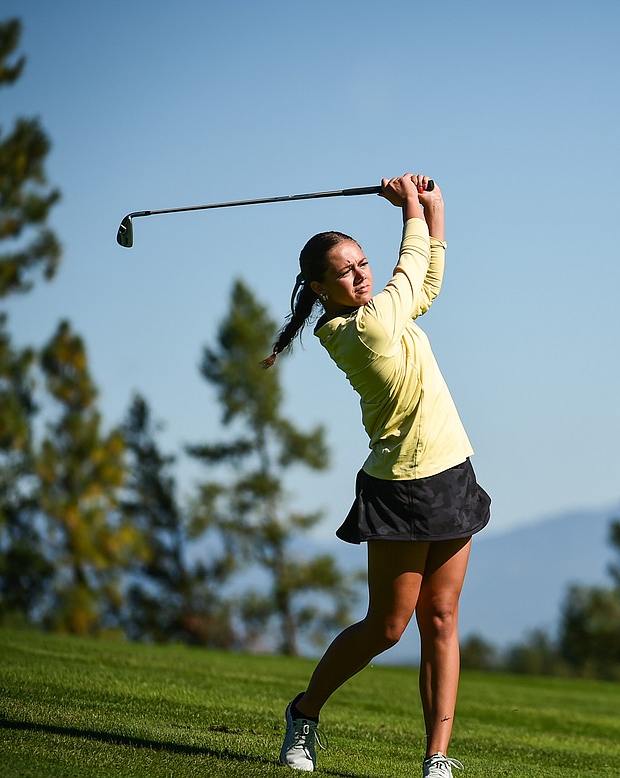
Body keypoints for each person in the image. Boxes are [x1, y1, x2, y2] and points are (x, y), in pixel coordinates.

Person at [262, 173, 489, 778]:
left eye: (363, 263)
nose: (361, 275)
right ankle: (305, 713)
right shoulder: (359, 329)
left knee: (441, 621)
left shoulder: (383, 310)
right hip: (400, 488)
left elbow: (426, 283)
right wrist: (411, 207)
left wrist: (434, 209)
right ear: (320, 288)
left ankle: (437, 759)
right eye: (346, 272)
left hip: (451, 471)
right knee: (387, 628)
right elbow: (410, 273)